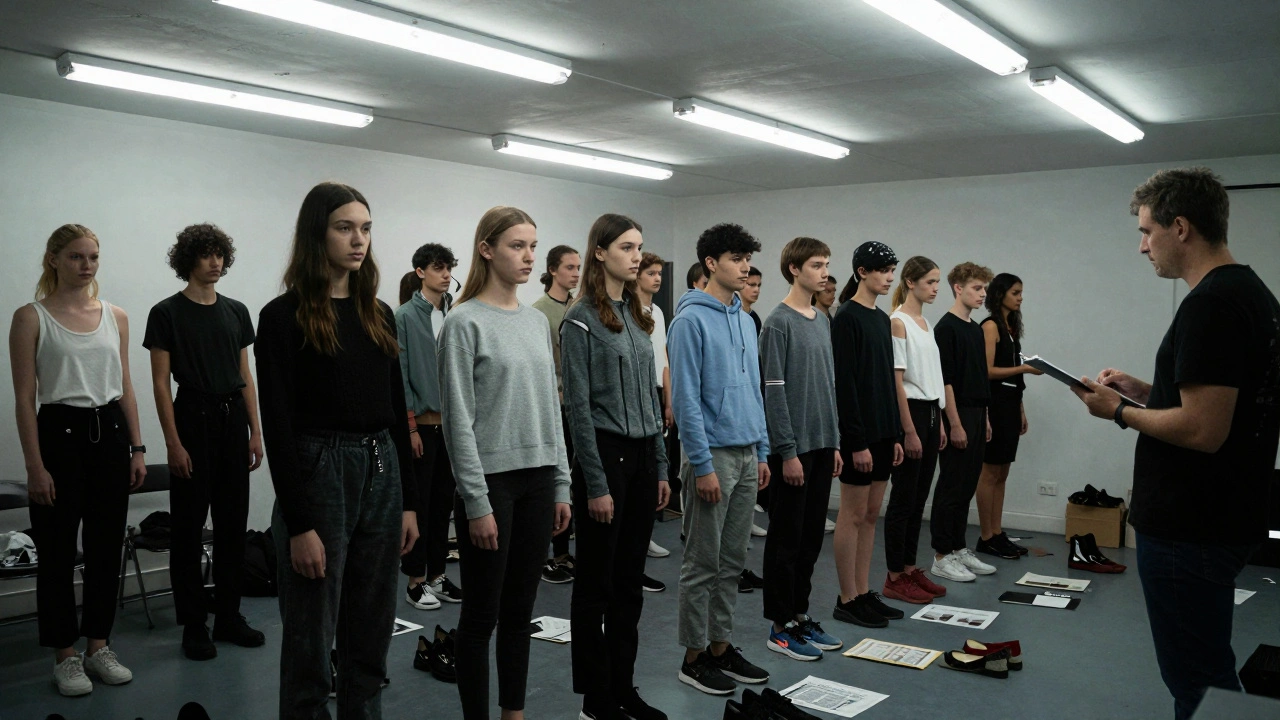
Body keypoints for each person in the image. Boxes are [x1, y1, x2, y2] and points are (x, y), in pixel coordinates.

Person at [1072, 167, 1279, 720]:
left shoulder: (1210, 304)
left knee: (1198, 681)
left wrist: (1117, 411)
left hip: (1192, 527)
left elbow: (1203, 431)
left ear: (1181, 227)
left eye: (1147, 231)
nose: (1143, 246)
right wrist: (1146, 390)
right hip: (1227, 517)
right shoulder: (1253, 294)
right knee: (1206, 667)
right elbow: (1219, 403)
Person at [256, 182, 419, 719]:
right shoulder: (282, 317)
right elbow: (277, 428)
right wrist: (300, 524)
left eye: (366, 228)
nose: (359, 240)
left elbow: (397, 413)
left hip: (381, 467)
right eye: (344, 227)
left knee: (370, 632)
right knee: (310, 640)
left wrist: (409, 503)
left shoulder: (379, 315)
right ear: (316, 234)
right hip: (318, 471)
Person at [439, 206, 573, 720]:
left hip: (540, 480)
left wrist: (561, 483)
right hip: (491, 486)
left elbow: (551, 409)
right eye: (518, 245)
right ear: (487, 249)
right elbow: (458, 421)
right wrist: (475, 501)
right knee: (481, 617)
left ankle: (513, 714)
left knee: (521, 614)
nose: (529, 256)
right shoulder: (464, 322)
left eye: (533, 245)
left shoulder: (538, 322)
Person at [10, 224, 146, 696]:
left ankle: (99, 646)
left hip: (108, 433)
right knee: (57, 552)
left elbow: (125, 384)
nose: (86, 265)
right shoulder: (31, 317)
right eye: (75, 257)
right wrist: (35, 466)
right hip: (58, 437)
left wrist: (137, 446)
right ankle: (64, 655)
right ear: (53, 259)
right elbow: (24, 399)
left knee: (107, 550)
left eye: (92, 257)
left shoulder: (117, 316)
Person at [561, 214, 671, 720]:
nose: (637, 256)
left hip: (644, 458)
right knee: (596, 587)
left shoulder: (637, 316)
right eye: (627, 247)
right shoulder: (581, 318)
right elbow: (578, 409)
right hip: (605, 458)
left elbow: (651, 402)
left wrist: (663, 467)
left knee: (629, 585)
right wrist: (597, 483)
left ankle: (624, 687)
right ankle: (595, 697)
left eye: (640, 247)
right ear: (600, 252)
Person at [144, 223, 265, 661]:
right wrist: (173, 443)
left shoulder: (236, 311)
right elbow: (160, 385)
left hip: (233, 419)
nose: (215, 262)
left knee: (233, 526)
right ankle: (194, 624)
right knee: (189, 529)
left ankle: (229, 616)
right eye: (206, 255)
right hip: (191, 418)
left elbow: (245, 375)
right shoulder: (166, 313)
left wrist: (256, 430)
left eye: (220, 255)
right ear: (188, 260)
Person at [670, 223, 772, 696]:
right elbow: (686, 401)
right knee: (702, 564)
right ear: (711, 263)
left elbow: (754, 389)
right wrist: (702, 464)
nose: (745, 266)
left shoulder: (744, 318)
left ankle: (720, 646)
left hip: (748, 452)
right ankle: (692, 658)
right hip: (711, 456)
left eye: (747, 257)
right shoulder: (689, 320)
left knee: (732, 562)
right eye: (736, 258)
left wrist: (763, 448)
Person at [759, 237, 844, 662]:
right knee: (786, 540)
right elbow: (773, 391)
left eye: (827, 264)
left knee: (811, 539)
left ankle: (799, 614)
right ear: (794, 269)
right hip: (792, 449)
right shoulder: (777, 322)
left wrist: (835, 441)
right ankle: (778, 626)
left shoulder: (821, 318)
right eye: (816, 264)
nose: (824, 271)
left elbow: (826, 387)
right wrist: (787, 451)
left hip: (822, 443)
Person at [830, 243, 905, 628]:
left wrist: (893, 433)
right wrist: (855, 441)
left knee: (872, 514)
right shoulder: (846, 318)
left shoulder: (880, 318)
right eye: (883, 270)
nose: (889, 277)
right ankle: (846, 597)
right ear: (862, 271)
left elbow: (886, 381)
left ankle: (863, 591)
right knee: (853, 513)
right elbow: (846, 385)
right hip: (858, 435)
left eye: (892, 270)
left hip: (881, 431)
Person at [396, 243, 463, 611]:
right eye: (438, 268)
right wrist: (410, 427)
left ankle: (437, 575)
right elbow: (401, 376)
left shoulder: (456, 313)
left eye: (448, 267)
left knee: (443, 506)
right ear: (421, 272)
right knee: (418, 506)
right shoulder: (405, 316)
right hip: (420, 424)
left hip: (452, 426)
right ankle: (415, 580)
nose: (446, 274)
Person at [881, 257, 950, 605]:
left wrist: (939, 420)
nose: (936, 287)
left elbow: (931, 376)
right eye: (930, 281)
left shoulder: (925, 322)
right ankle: (893, 575)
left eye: (938, 281)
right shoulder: (898, 322)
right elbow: (897, 381)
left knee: (919, 499)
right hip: (911, 414)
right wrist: (908, 430)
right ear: (910, 281)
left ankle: (909, 568)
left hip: (930, 412)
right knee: (903, 499)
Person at [929, 262, 996, 584]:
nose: (982, 295)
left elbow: (979, 378)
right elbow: (947, 382)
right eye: (976, 288)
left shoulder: (973, 327)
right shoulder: (947, 328)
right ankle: (942, 555)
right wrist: (954, 423)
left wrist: (984, 418)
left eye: (984, 289)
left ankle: (958, 548)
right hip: (957, 412)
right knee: (952, 485)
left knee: (967, 484)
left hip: (976, 412)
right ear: (958, 288)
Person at [975, 273, 1042, 560]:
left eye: (1021, 292)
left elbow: (1013, 375)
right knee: (989, 472)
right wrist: (1025, 369)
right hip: (994, 405)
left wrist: (1021, 408)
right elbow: (987, 371)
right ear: (1000, 293)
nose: (1020, 297)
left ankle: (998, 532)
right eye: (1015, 292)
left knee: (1002, 473)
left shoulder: (1011, 327)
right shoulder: (990, 326)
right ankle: (986, 536)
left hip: (1010, 404)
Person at [533, 244, 580, 584]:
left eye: (579, 267)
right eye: (569, 267)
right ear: (552, 270)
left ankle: (569, 549)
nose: (576, 273)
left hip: (584, 405)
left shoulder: (582, 307)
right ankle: (556, 553)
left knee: (579, 478)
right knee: (558, 478)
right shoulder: (539, 312)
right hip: (558, 404)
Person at [635, 252, 675, 576]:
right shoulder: (629, 309)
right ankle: (638, 538)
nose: (657, 278)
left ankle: (645, 534)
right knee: (642, 466)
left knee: (657, 464)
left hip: (657, 390)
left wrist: (669, 399)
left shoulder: (658, 312)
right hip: (637, 391)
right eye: (651, 273)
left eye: (660, 273)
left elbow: (662, 354)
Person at [741, 266, 763, 336]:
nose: (757, 290)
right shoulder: (731, 315)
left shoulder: (755, 319)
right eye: (752, 285)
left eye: (759, 285)